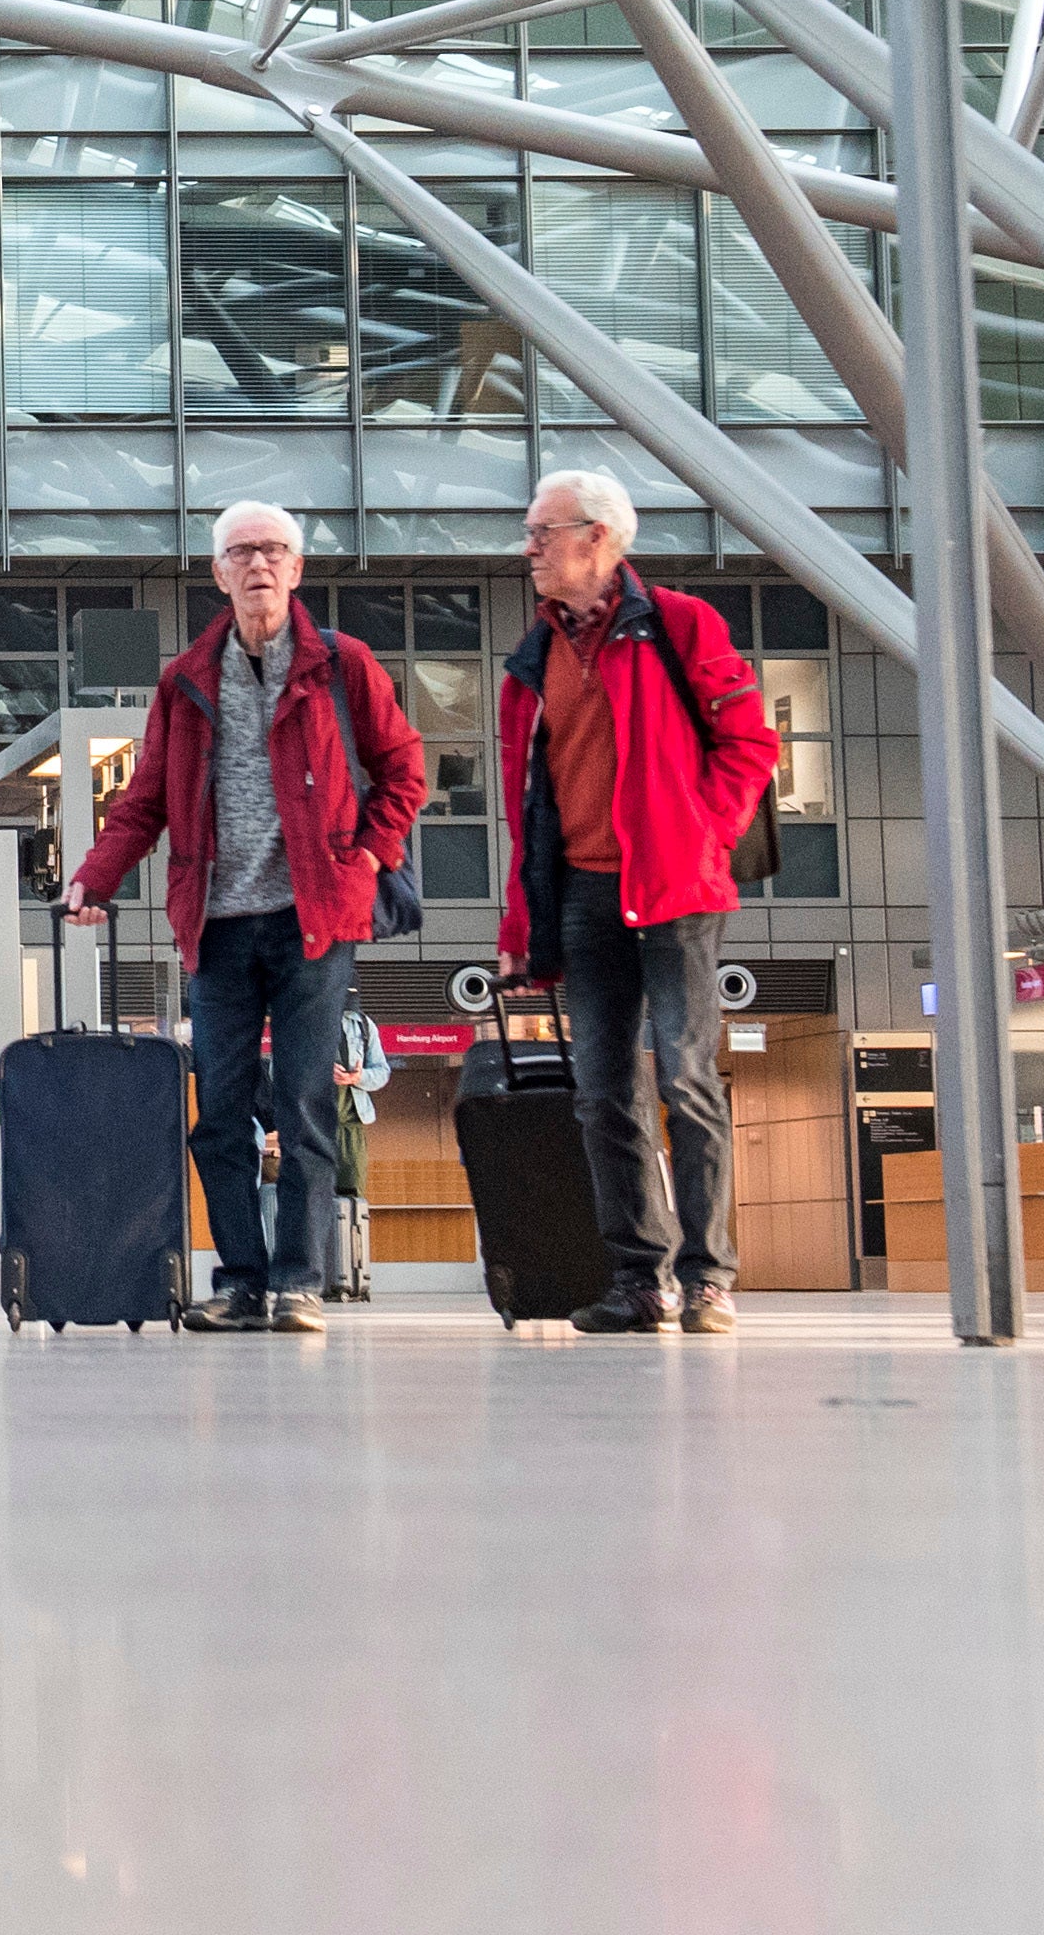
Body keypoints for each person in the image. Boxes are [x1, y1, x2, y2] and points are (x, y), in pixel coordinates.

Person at [63, 501, 426, 1334]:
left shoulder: (343, 664)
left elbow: (404, 768)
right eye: (241, 552)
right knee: (220, 1114)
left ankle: (299, 1282)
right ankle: (240, 1281)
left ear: (296, 569)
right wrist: (94, 878)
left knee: (303, 1106)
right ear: (218, 573)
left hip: (313, 921)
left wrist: (368, 858)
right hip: (217, 926)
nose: (258, 564)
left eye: (273, 551)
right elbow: (146, 799)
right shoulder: (185, 680)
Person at [489, 468, 783, 1336]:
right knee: (602, 1091)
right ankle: (638, 1280)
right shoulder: (532, 657)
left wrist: (703, 832)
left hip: (674, 888)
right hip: (583, 892)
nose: (529, 547)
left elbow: (750, 740)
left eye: (542, 532)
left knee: (686, 1077)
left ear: (598, 537)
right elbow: (526, 808)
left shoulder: (679, 625)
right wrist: (521, 920)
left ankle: (708, 1279)